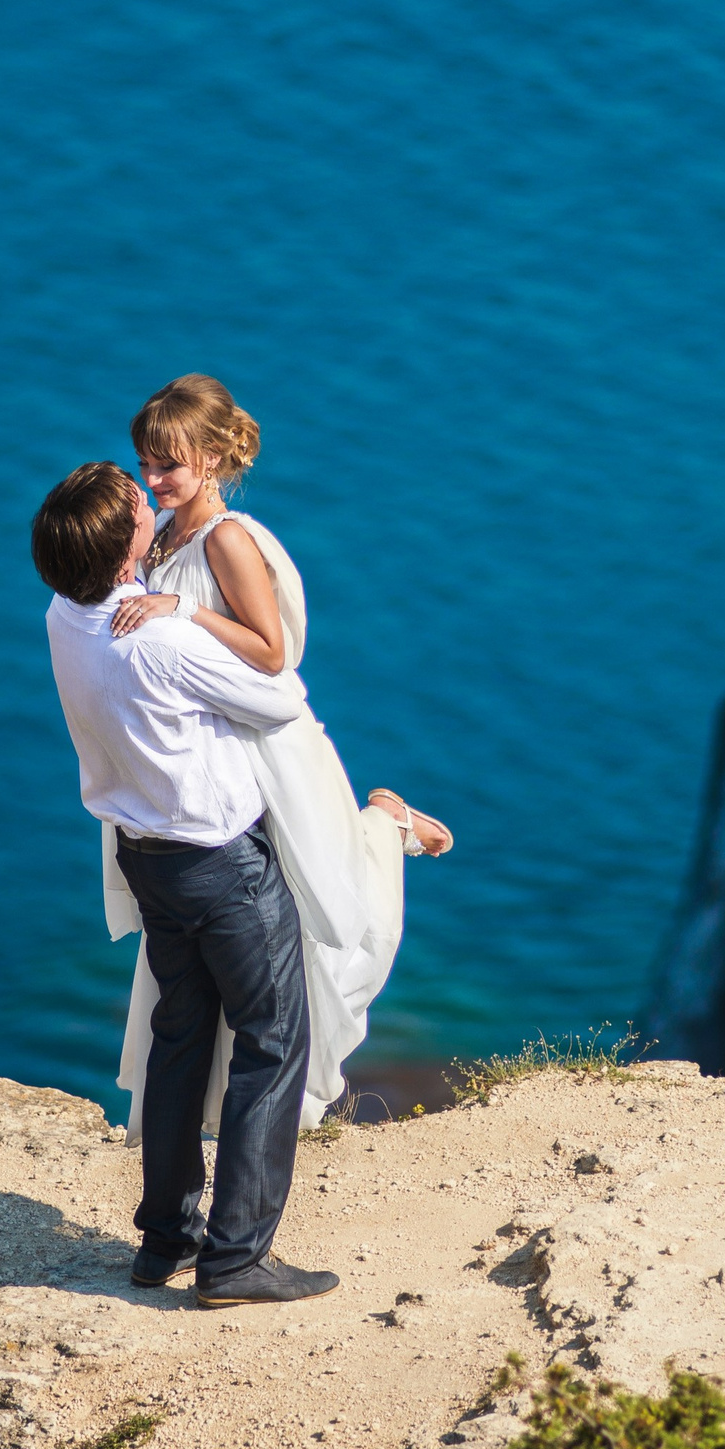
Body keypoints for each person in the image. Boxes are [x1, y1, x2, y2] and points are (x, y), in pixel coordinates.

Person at [103, 375, 451, 1139]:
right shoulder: (161, 535)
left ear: (216, 459)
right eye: (145, 463)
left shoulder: (228, 539)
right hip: (217, 759)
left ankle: (386, 823)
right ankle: (220, 1131)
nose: (153, 480)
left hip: (273, 753)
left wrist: (181, 607)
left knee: (319, 920)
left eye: (170, 466)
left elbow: (271, 654)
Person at [35, 461, 336, 1307]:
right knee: (272, 1042)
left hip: (147, 860)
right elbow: (279, 696)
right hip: (220, 867)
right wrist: (193, 609)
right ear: (130, 551)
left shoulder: (63, 618)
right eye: (138, 503)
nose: (147, 493)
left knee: (180, 1038)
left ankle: (165, 1237)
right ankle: (236, 1258)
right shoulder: (156, 638)